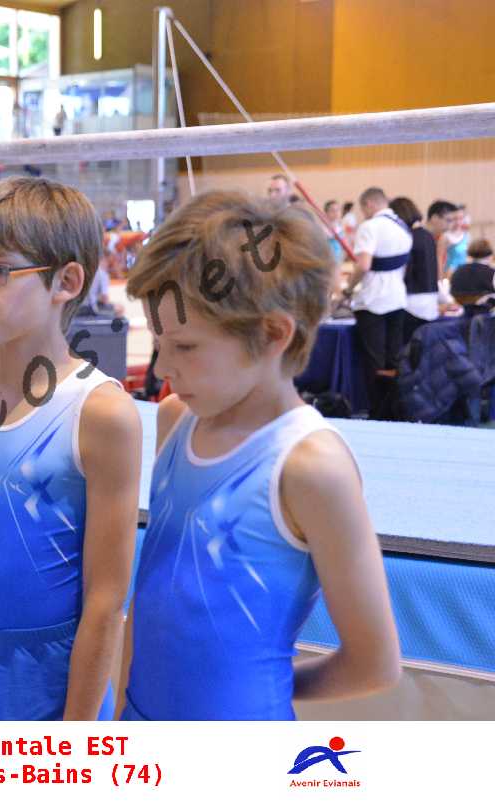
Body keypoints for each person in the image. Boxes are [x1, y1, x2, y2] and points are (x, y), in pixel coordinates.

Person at [119, 190, 401, 720]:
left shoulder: (311, 468)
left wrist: (258, 686)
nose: (161, 368)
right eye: (159, 342)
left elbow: (375, 663)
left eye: (185, 346)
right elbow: (150, 597)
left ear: (272, 334)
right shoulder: (176, 420)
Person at [0, 177, 141, 721]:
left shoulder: (101, 415)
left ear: (67, 281)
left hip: (53, 680)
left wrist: (76, 738)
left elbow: (106, 601)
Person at [342, 186, 413, 419]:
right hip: (398, 298)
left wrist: (348, 289)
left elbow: (363, 265)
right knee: (394, 358)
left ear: (369, 204)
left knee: (374, 360)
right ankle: (395, 409)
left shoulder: (370, 227)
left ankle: (377, 411)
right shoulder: (403, 227)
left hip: (373, 300)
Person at [389, 197, 440, 344]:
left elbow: (403, 272)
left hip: (411, 303)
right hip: (430, 302)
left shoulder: (407, 237)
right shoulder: (428, 236)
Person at [449, 239, 495, 316]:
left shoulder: (458, 271)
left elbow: (453, 291)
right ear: (490, 254)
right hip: (485, 311)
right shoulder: (491, 273)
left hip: (461, 307)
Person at [323, 200, 345, 264]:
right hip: (327, 261)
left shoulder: (340, 228)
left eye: (337, 210)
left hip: (338, 259)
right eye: (332, 210)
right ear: (326, 213)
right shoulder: (323, 228)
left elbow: (343, 246)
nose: (336, 213)